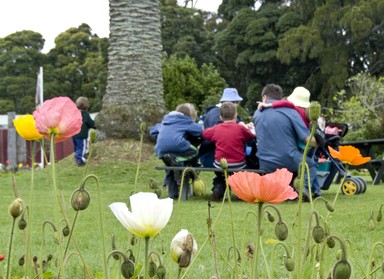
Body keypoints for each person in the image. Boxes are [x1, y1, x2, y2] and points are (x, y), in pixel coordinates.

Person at [253, 84, 321, 199]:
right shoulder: (290, 112)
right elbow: (307, 139)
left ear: (264, 98)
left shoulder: (257, 113)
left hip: (264, 162)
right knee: (310, 165)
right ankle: (302, 188)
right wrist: (319, 141)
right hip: (287, 159)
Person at [202, 102, 255, 201]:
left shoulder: (216, 129)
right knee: (243, 172)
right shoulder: (240, 129)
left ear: (220, 117)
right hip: (238, 165)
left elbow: (205, 133)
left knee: (221, 177)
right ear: (236, 115)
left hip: (220, 165)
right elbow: (251, 136)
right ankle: (242, 191)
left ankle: (218, 188)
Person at [149, 103, 203, 199]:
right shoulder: (185, 121)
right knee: (195, 151)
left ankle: (172, 195)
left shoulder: (165, 121)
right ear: (189, 116)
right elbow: (200, 131)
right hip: (178, 146)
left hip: (161, 150)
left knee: (169, 169)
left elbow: (152, 131)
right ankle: (179, 161)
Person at [199, 88, 253, 167]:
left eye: (237, 102)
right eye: (234, 102)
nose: (236, 105)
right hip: (210, 154)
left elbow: (235, 124)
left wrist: (245, 125)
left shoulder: (229, 112)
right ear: (226, 102)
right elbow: (225, 134)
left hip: (221, 155)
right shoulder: (214, 114)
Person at [72, 97, 95, 166]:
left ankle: (77, 157)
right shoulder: (85, 114)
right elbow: (90, 123)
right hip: (81, 135)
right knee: (81, 147)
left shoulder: (74, 113)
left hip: (74, 134)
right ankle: (80, 160)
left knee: (77, 147)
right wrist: (95, 125)